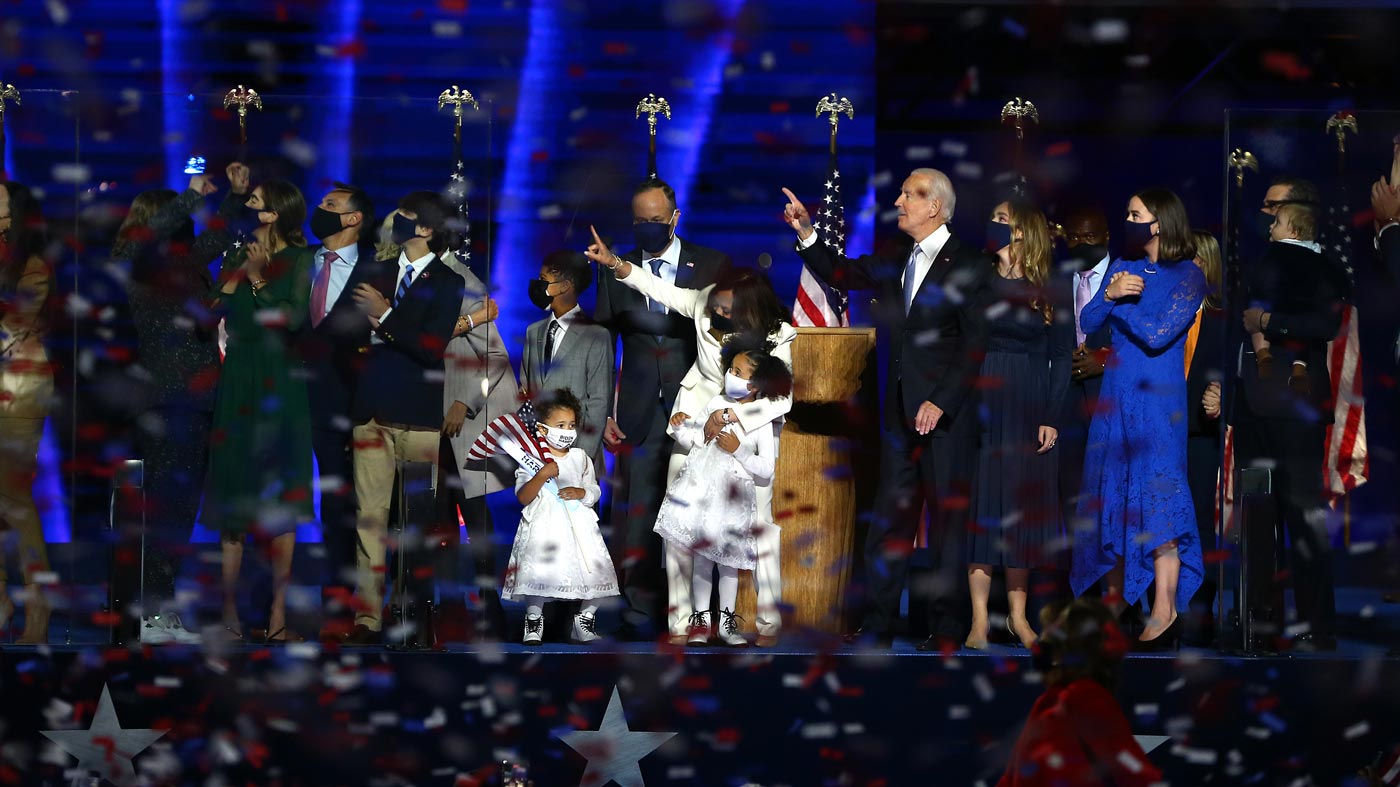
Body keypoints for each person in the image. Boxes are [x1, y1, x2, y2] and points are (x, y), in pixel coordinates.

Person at [780, 169, 992, 651]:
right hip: (899, 415)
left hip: (946, 419)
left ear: (934, 206)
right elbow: (843, 273)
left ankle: (946, 628)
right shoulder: (899, 257)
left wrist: (941, 401)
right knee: (889, 523)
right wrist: (807, 232)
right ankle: (877, 625)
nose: (898, 201)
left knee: (946, 527)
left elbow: (975, 344)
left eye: (908, 195)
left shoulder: (972, 265)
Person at [586, 229, 795, 645]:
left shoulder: (780, 333)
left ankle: (765, 623)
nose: (714, 308)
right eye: (714, 302)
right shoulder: (704, 301)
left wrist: (730, 419)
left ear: (749, 310)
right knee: (679, 526)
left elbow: (781, 397)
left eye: (724, 307)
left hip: (747, 440)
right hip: (694, 432)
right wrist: (614, 264)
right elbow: (659, 288)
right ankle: (683, 623)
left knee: (759, 526)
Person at [592, 178, 731, 641]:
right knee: (638, 513)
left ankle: (696, 615)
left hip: (696, 409)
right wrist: (606, 408)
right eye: (639, 221)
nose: (647, 227)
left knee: (695, 513)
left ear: (674, 217)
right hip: (636, 407)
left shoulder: (710, 264)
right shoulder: (616, 265)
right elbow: (604, 339)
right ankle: (638, 614)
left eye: (656, 220)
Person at [1070, 187, 1207, 650]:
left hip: (1158, 404)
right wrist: (1109, 292)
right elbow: (1088, 321)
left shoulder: (1190, 276)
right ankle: (1116, 608)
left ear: (1161, 222)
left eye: (1135, 214)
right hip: (1118, 397)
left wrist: (1120, 306)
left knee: (1160, 501)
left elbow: (1156, 333)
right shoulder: (1124, 269)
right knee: (1116, 497)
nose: (1127, 220)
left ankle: (1165, 608)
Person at [112, 173, 232, 644]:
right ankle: (153, 614)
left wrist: (238, 197)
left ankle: (157, 611)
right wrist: (189, 198)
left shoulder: (181, 267)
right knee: (166, 511)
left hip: (195, 401)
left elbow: (221, 239)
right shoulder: (140, 266)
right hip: (171, 401)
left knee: (178, 511)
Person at [1234, 176, 1348, 652]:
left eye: (1273, 209)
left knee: (1302, 515)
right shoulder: (1265, 260)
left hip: (1297, 408)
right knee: (1258, 515)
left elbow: (1324, 324)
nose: (1265, 217)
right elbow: (1242, 316)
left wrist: (1270, 323)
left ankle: (1316, 622)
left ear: (1300, 214)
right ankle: (1260, 622)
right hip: (1257, 403)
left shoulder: (1324, 266)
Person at [346, 193, 466, 646]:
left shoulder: (447, 281)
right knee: (369, 518)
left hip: (417, 416)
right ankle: (367, 619)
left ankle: (412, 611)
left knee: (417, 520)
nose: (394, 220)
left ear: (426, 230)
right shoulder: (378, 271)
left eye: (405, 217)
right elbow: (348, 330)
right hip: (371, 411)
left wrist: (386, 317)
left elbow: (431, 348)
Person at [205, 164, 315, 643]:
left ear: (273, 214)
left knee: (281, 503)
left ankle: (277, 615)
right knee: (234, 498)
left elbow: (290, 319)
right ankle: (228, 611)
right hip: (239, 381)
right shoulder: (240, 253)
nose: (247, 205)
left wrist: (255, 279)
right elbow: (209, 308)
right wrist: (236, 276)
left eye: (253, 202)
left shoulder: (301, 258)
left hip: (280, 386)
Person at [966, 199, 1074, 649]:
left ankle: (1017, 616)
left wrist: (1051, 416)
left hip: (1030, 402)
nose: (992, 225)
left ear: (1022, 231)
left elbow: (1062, 356)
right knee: (984, 508)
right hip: (985, 399)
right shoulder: (981, 278)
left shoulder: (1050, 285)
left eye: (1001, 220)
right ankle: (977, 623)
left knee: (1021, 515)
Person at [655, 341, 791, 648]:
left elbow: (766, 470)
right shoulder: (715, 402)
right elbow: (697, 438)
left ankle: (728, 623)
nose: (732, 375)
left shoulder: (762, 420)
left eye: (740, 372)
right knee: (702, 557)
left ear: (755, 385)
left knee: (728, 563)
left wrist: (740, 451)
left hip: (734, 499)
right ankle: (701, 622)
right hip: (703, 493)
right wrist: (681, 429)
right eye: (731, 369)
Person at [297, 182, 378, 641]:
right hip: (288, 397)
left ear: (353, 219)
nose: (320, 210)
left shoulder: (376, 268)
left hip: (349, 402)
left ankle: (343, 600)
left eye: (330, 206)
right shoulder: (298, 261)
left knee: (342, 501)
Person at [996, 598, 1163, 786]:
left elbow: (1136, 774)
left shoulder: (1083, 700)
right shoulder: (1058, 699)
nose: (1039, 648)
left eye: (1048, 642)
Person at [503, 388, 619, 645]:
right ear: (543, 429)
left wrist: (581, 492)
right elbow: (523, 496)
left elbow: (594, 489)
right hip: (545, 525)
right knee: (540, 572)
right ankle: (534, 620)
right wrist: (542, 475)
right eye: (560, 425)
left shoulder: (581, 458)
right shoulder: (531, 460)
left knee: (595, 571)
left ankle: (585, 619)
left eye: (571, 425)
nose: (567, 431)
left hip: (579, 525)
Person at [439, 243, 513, 643]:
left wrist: (465, 401)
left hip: (457, 423)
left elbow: (495, 357)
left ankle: (488, 600)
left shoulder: (463, 281)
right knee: (436, 516)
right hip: (417, 416)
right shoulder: (403, 277)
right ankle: (447, 604)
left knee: (473, 511)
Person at [0, 181, 55, 645]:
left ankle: (38, 606)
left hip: (19, 388)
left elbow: (15, 326)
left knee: (14, 501)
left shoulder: (32, 267)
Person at [519, 250, 613, 460]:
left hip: (576, 456)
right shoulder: (533, 332)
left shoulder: (595, 335)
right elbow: (526, 389)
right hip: (536, 454)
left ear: (565, 285)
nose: (537, 285)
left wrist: (579, 459)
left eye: (544, 280)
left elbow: (598, 402)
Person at [1055, 206, 1113, 544]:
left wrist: (1105, 360)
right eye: (1073, 237)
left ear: (1105, 237)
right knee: (1072, 498)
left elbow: (1145, 341)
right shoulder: (1056, 279)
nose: (1080, 244)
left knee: (1111, 498)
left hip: (1110, 398)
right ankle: (1080, 588)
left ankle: (1120, 595)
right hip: (1067, 400)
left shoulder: (1126, 277)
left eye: (1088, 237)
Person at [1185, 230, 1226, 646]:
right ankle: (1154, 607)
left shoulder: (1221, 318)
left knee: (1198, 520)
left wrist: (1221, 392)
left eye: (1194, 259)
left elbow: (1234, 370)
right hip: (1161, 431)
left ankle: (1201, 608)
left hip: (1201, 434)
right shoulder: (1163, 311)